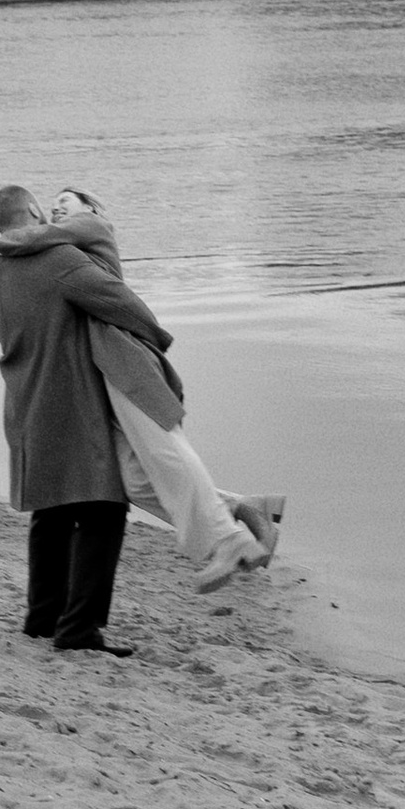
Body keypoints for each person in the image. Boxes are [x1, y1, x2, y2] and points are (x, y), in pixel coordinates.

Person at [43, 187, 283, 593]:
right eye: (51, 208)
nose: (56, 209)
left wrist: (12, 233)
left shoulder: (93, 229)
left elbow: (32, 239)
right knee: (135, 483)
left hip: (123, 362)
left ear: (90, 207)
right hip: (101, 376)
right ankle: (242, 508)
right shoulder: (66, 250)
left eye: (64, 202)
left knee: (164, 450)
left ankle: (230, 539)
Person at [0, 181, 178, 655]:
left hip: (24, 406)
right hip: (70, 405)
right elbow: (121, 302)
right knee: (102, 510)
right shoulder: (60, 262)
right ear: (32, 211)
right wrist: (157, 342)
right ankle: (79, 629)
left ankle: (42, 618)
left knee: (51, 513)